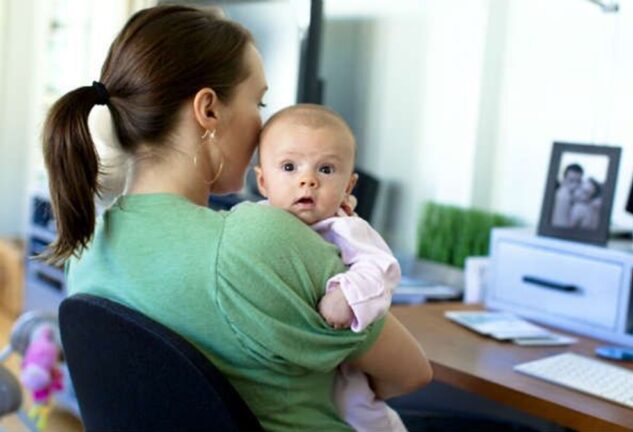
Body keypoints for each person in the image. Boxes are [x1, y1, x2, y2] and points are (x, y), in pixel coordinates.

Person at [41, 5, 431, 431]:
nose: (263, 125)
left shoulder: (86, 246)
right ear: (208, 110)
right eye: (258, 101)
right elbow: (410, 373)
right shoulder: (255, 240)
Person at [254, 103, 405, 431]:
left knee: (360, 411)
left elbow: (381, 268)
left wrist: (345, 295)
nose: (307, 180)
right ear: (263, 182)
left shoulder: (344, 227)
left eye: (325, 170)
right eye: (290, 166)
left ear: (348, 187)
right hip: (290, 364)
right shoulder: (257, 221)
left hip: (343, 361)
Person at [551, 163, 583, 227]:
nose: (575, 185)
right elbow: (561, 226)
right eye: (571, 181)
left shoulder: (574, 197)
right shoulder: (563, 196)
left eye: (578, 181)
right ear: (564, 179)